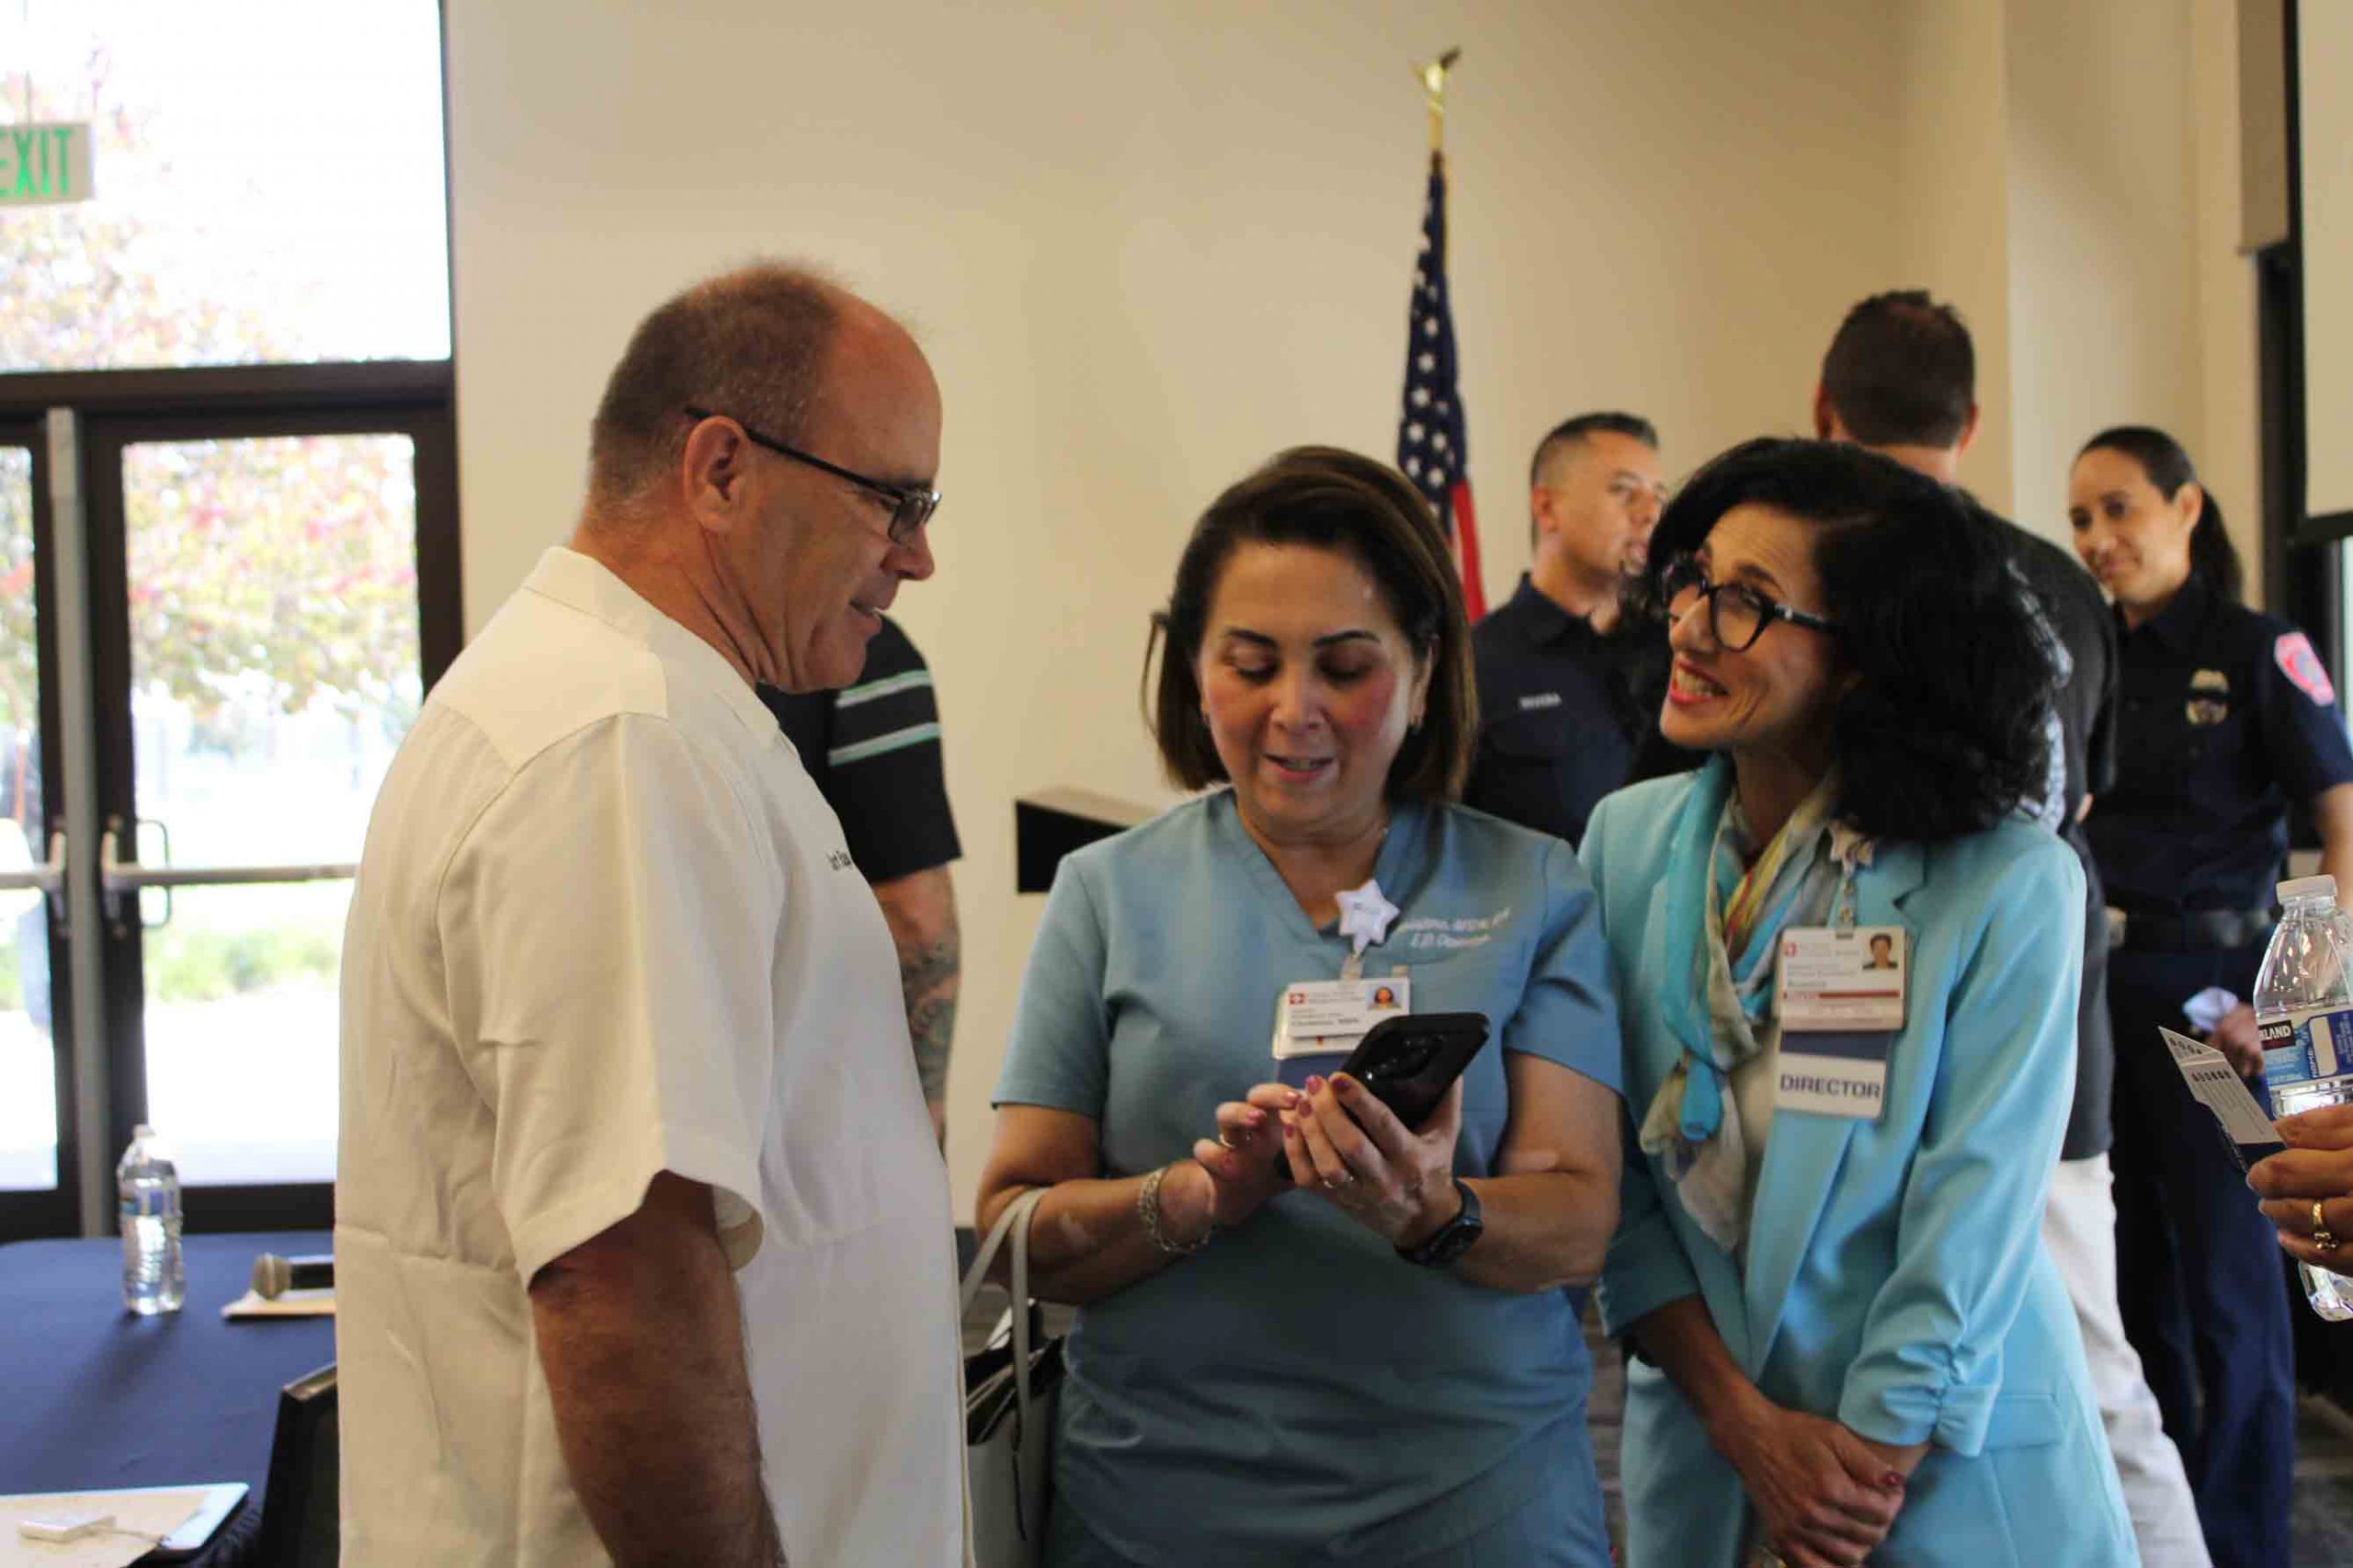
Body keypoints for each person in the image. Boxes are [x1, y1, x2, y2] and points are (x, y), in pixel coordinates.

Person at [335, 264, 965, 1567]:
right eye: (892, 501)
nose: (917, 553)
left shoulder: (648, 712)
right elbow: (620, 1272)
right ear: (722, 470)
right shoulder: (618, 742)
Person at [978, 447, 1625, 1565]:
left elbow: (1579, 1219)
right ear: (1192, 669)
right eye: (1251, 662)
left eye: (1343, 664)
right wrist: (1190, 1197)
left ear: (1426, 668)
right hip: (1164, 1509)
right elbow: (1010, 1231)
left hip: (1476, 1506)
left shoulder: (1533, 886)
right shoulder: (1109, 893)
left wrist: (1433, 1211)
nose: (1295, 710)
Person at [1586, 437, 2133, 1567]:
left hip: (1942, 1475)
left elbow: (1968, 1225)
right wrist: (1751, 1438)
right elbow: (1620, 1193)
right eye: (1693, 579)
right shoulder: (1621, 846)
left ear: (1865, 661)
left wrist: (1847, 1490)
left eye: (1747, 602)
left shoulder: (2009, 882)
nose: (1689, 624)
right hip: (1712, 1457)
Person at [1813, 292, 2206, 1566]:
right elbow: (2078, 800)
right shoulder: (2062, 580)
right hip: (2043, 1053)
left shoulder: (1815, 569)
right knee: (2093, 1373)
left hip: (1856, 1049)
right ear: (1972, 422)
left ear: (1826, 411)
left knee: (1838, 1373)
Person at [2071, 423, 2353, 1568]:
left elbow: (2340, 834)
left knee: (2234, 1290)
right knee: (2126, 1279)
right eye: (2080, 516)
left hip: (2221, 1012)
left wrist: (2281, 1008)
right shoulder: (2085, 648)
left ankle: (2243, 1546)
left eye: (2120, 509)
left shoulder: (2256, 647)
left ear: (2186, 508)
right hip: (2103, 994)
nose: (2097, 537)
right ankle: (2156, 1534)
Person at [758, 614, 961, 1144]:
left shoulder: (627, 661)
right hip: (824, 1126)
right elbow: (915, 917)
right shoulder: (860, 651)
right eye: (896, 525)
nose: (915, 560)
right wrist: (923, 1122)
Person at [1464, 413, 1669, 846]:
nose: (1650, 514)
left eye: (1658, 497)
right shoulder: (1474, 664)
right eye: (1624, 491)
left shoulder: (1680, 649)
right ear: (1546, 506)